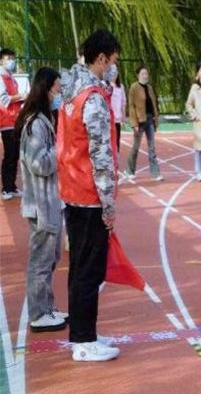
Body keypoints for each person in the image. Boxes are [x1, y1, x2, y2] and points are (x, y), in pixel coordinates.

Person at [57, 29, 121, 361]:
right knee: (89, 271)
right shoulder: (92, 99)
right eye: (113, 61)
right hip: (89, 195)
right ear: (102, 58)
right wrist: (108, 205)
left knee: (81, 268)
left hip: (72, 190)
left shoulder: (72, 92)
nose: (114, 68)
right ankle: (83, 342)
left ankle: (85, 332)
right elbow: (101, 157)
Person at [15, 67, 68, 332]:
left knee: (51, 256)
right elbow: (39, 163)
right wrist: (60, 150)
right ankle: (38, 313)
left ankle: (46, 306)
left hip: (50, 201)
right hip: (40, 203)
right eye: (57, 89)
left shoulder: (44, 120)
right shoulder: (35, 124)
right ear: (46, 89)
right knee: (41, 260)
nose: (59, 94)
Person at [126, 65, 162, 181]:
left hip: (150, 120)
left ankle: (155, 173)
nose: (145, 76)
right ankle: (130, 170)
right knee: (136, 147)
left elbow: (154, 104)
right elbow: (131, 106)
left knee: (152, 147)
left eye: (146, 74)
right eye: (142, 74)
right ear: (138, 75)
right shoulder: (134, 87)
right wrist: (134, 123)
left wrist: (156, 118)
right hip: (139, 121)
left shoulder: (150, 88)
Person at [0, 48, 25, 200]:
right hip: (6, 120)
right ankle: (6, 189)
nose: (11, 61)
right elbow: (3, 99)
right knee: (9, 155)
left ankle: (12, 186)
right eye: (8, 58)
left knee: (15, 154)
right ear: (1, 60)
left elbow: (13, 99)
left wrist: (22, 99)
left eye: (12, 58)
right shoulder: (1, 77)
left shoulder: (11, 78)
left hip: (15, 120)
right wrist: (20, 96)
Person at [107, 64, 126, 152]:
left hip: (117, 119)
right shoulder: (105, 86)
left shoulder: (120, 87)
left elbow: (123, 103)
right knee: (108, 142)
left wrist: (123, 118)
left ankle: (116, 157)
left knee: (116, 141)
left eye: (115, 72)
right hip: (108, 119)